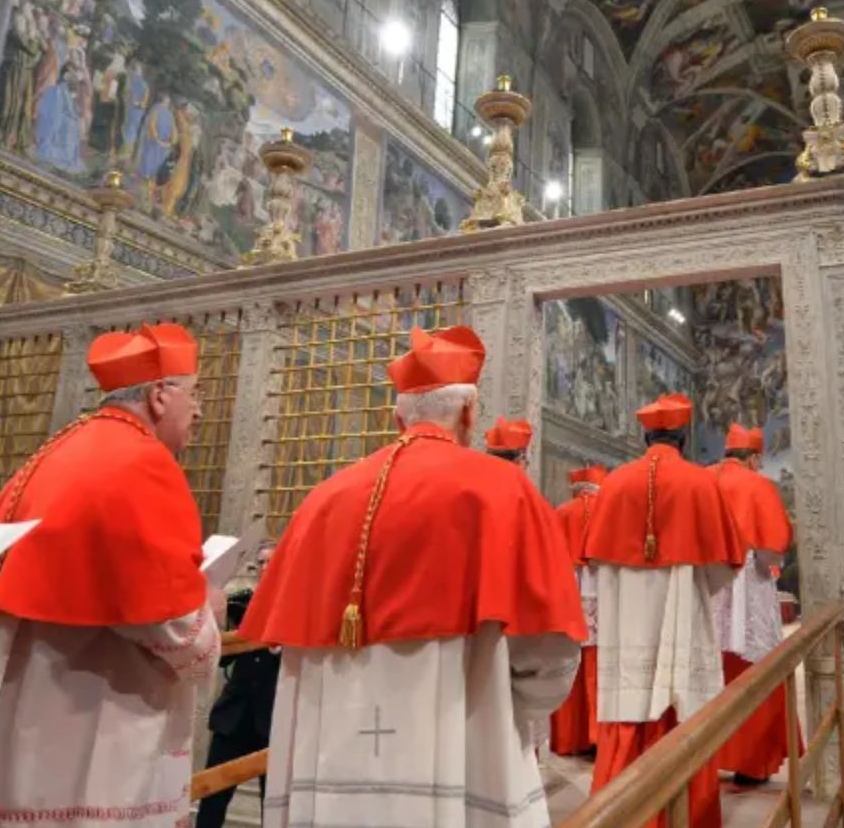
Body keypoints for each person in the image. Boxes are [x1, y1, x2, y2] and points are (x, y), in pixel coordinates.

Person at [240, 325, 587, 827]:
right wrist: (518, 707)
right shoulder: (502, 489)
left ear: (397, 414)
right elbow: (547, 645)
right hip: (465, 742)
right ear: (469, 413)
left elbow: (291, 649)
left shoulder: (326, 497)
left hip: (333, 747)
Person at [0, 323, 224, 827]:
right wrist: (210, 609)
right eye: (196, 393)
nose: (200, 409)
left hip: (21, 716)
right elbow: (172, 625)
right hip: (84, 719)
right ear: (159, 394)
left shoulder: (57, 451)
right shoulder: (139, 463)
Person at [584, 394, 745, 828]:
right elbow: (722, 565)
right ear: (684, 435)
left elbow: (597, 559)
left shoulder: (616, 482)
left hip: (626, 609)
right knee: (681, 706)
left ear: (644, 435)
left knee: (628, 703)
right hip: (680, 607)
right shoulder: (699, 482)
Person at [710, 424, 795, 786]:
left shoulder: (702, 479)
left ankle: (707, 756)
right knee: (754, 664)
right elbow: (770, 551)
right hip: (745, 583)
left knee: (710, 664)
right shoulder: (759, 485)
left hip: (703, 583)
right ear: (755, 457)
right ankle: (751, 760)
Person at [195, 541, 282, 828]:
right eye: (261, 563)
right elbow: (218, 661)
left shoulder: (294, 608)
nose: (265, 567)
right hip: (233, 719)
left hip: (274, 722)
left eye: (271, 561)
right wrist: (217, 622)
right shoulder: (242, 603)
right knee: (212, 798)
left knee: (273, 804)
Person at [549, 465, 608, 758]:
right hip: (604, 593)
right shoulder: (609, 511)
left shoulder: (561, 512)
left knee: (569, 663)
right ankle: (600, 736)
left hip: (570, 592)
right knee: (599, 665)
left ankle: (569, 737)